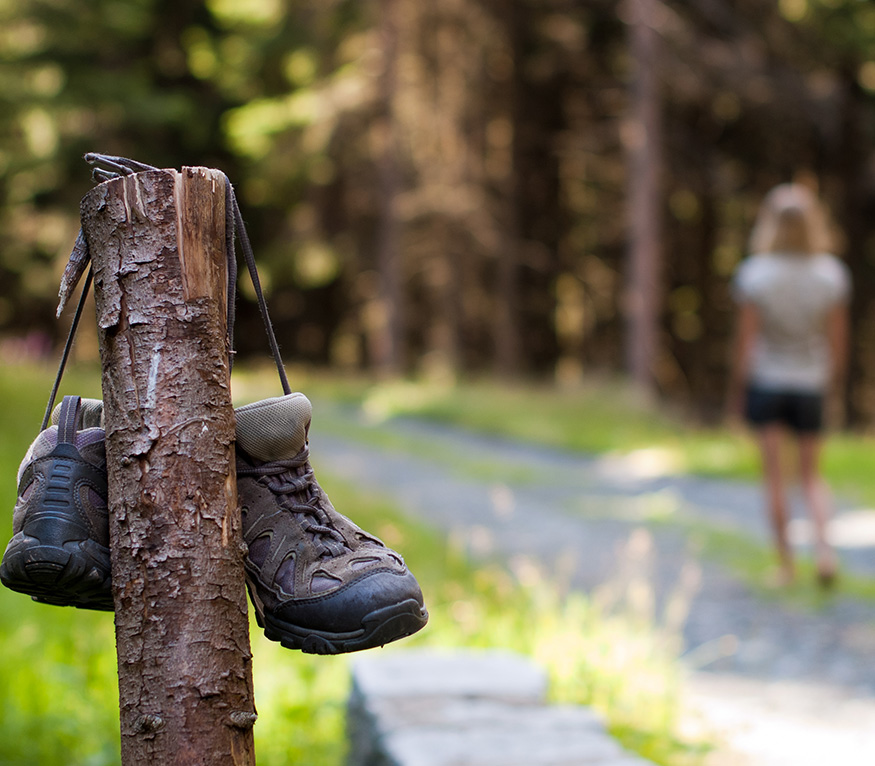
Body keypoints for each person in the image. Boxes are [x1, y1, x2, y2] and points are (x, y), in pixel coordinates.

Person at [727, 182, 850, 588]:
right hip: (810, 381)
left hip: (768, 381)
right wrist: (832, 382)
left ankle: (785, 566)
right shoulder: (831, 275)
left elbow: (746, 342)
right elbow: (837, 341)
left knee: (776, 478)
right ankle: (824, 551)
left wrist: (738, 390)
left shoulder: (755, 275)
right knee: (812, 476)